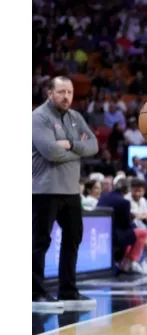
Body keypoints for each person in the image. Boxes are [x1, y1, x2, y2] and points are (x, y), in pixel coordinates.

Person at [32, 76, 99, 312]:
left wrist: (70, 145)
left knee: (73, 239)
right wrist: (77, 150)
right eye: (61, 92)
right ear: (50, 93)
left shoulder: (75, 117)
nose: (66, 97)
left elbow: (94, 145)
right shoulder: (38, 118)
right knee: (39, 243)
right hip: (44, 190)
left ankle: (68, 290)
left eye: (69, 92)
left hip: (71, 192)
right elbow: (51, 152)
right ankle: (35, 293)